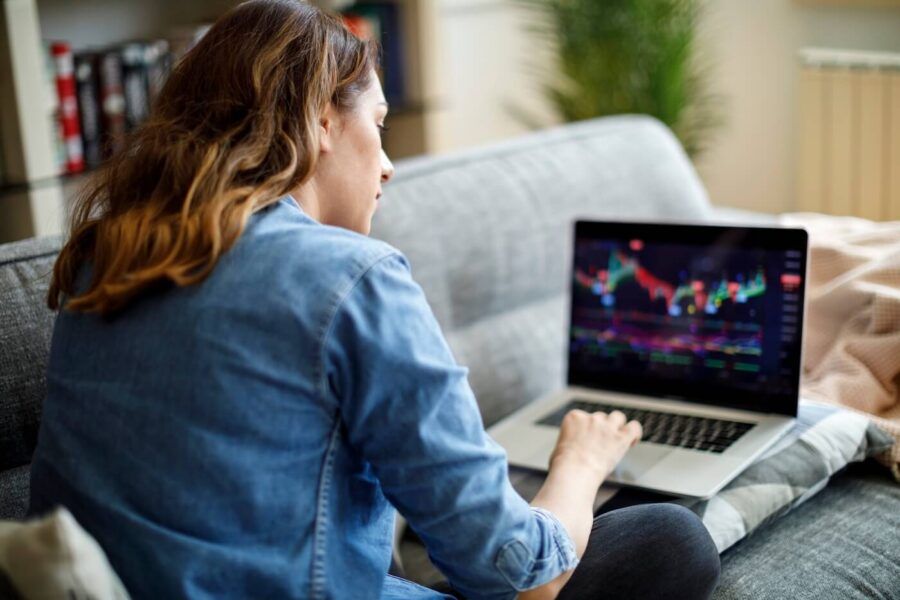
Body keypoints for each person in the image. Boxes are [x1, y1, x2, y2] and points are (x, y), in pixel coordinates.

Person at [29, 1, 721, 598]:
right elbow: (521, 580)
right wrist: (581, 461)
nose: (388, 163)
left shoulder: (100, 258)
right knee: (669, 538)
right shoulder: (350, 278)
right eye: (379, 124)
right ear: (322, 120)